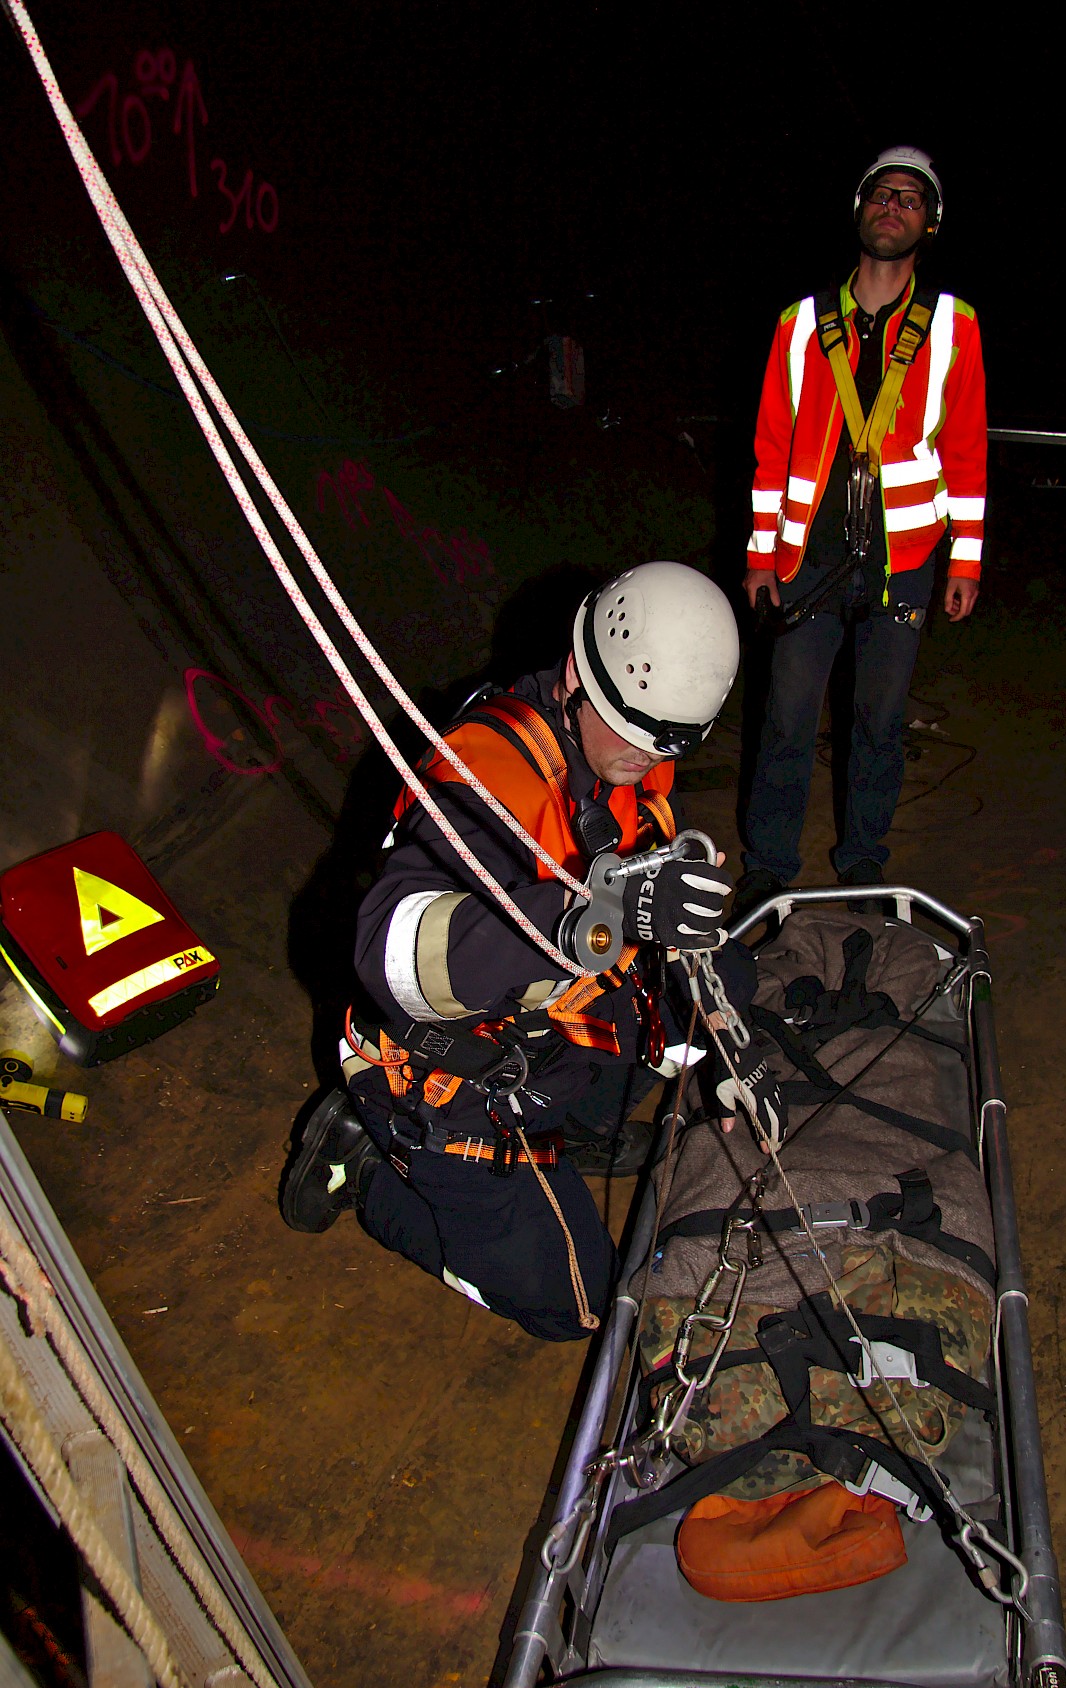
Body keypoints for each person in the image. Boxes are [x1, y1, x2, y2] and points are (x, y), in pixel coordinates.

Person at [281, 562, 760, 1342]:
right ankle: (362, 1163)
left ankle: (576, 1128)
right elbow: (389, 952)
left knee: (725, 979)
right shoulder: (485, 775)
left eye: (665, 743)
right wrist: (602, 913)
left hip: (537, 1028)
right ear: (578, 674)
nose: (645, 760)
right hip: (443, 1071)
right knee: (579, 1304)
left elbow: (664, 938)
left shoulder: (625, 742)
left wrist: (729, 1058)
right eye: (634, 735)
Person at [737, 146, 986, 916]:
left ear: (930, 223)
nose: (894, 206)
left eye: (911, 198)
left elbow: (968, 448)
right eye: (882, 194)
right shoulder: (801, 322)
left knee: (878, 723)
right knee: (786, 715)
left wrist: (965, 561)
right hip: (807, 556)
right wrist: (758, 553)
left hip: (904, 560)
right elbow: (772, 442)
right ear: (859, 210)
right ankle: (768, 863)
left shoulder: (953, 324)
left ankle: (865, 867)